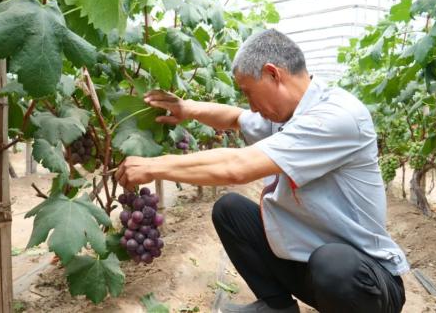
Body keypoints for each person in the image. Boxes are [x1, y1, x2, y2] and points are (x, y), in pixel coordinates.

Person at [115, 29, 408, 313]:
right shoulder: (287, 114)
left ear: (273, 73)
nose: (251, 106)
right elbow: (234, 118)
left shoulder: (336, 117)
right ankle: (277, 306)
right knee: (230, 210)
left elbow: (237, 168)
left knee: (333, 265)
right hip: (310, 266)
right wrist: (186, 108)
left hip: (365, 284)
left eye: (248, 93)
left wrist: (155, 166)